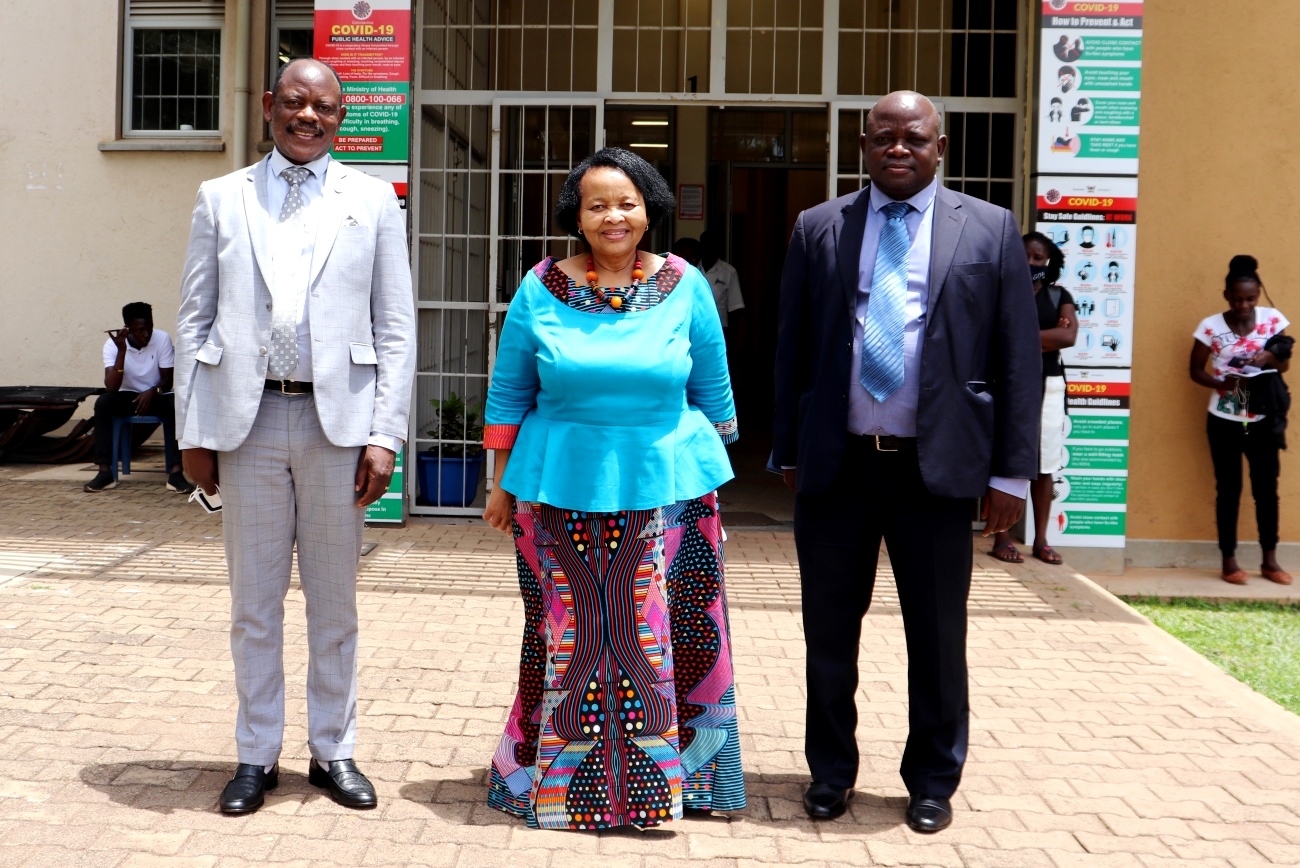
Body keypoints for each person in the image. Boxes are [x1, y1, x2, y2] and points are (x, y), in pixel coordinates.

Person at [770, 91, 1040, 833]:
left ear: (940, 146)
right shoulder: (819, 227)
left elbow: (1018, 359)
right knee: (828, 632)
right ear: (863, 143)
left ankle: (931, 781)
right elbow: (791, 346)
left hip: (938, 471)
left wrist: (1010, 474)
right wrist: (788, 445)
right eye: (884, 136)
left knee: (937, 634)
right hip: (840, 468)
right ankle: (830, 774)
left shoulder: (988, 229)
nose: (898, 148)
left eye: (913, 137)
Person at [175, 58, 416, 814]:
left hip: (336, 425)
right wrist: (193, 428)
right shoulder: (222, 197)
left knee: (334, 601)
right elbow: (193, 320)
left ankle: (333, 750)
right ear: (270, 108)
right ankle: (255, 755)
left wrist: (386, 434)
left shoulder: (374, 201)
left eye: (324, 107)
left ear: (342, 117)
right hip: (246, 424)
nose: (308, 117)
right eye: (294, 103)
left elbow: (396, 328)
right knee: (254, 602)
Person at [481, 147, 745, 830]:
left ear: (650, 209)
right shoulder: (540, 285)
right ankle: (561, 788)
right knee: (568, 635)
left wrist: (718, 478)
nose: (613, 216)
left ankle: (677, 786)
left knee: (666, 634)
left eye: (626, 202)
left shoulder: (685, 284)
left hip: (672, 488)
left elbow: (712, 384)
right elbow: (511, 388)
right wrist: (498, 485)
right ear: (578, 215)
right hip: (557, 485)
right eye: (597, 204)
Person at [1190, 255, 1292, 585]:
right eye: (1236, 299)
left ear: (1258, 293)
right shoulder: (1210, 327)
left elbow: (1285, 365)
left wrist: (1266, 359)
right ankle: (1229, 560)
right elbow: (1194, 370)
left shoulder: (1273, 320)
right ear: (1226, 296)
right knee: (1228, 490)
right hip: (1224, 418)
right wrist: (1222, 383)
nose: (1243, 305)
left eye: (1249, 298)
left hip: (1262, 417)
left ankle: (1270, 561)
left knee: (1266, 489)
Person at [991, 233, 1077, 565]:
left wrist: (1018, 337)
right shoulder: (1002, 292)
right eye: (1025, 256)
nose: (1031, 263)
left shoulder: (1059, 295)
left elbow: (1067, 336)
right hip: (1006, 383)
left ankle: (1040, 540)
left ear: (1049, 263)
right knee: (1005, 457)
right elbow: (994, 338)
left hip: (1049, 386)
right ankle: (1001, 537)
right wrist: (1045, 337)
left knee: (1045, 465)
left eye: (1039, 258)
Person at [83, 302, 192, 493]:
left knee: (177, 403)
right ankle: (105, 472)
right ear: (128, 329)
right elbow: (112, 387)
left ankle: (176, 474)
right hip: (127, 398)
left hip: (157, 395)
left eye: (149, 328)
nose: (146, 335)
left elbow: (167, 381)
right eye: (140, 330)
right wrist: (121, 351)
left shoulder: (162, 339)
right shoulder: (112, 345)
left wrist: (153, 391)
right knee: (103, 403)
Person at [699, 229, 746, 330]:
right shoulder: (693, 269)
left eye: (712, 245)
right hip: (696, 328)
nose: (708, 248)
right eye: (705, 245)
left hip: (719, 328)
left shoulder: (728, 272)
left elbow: (735, 308)